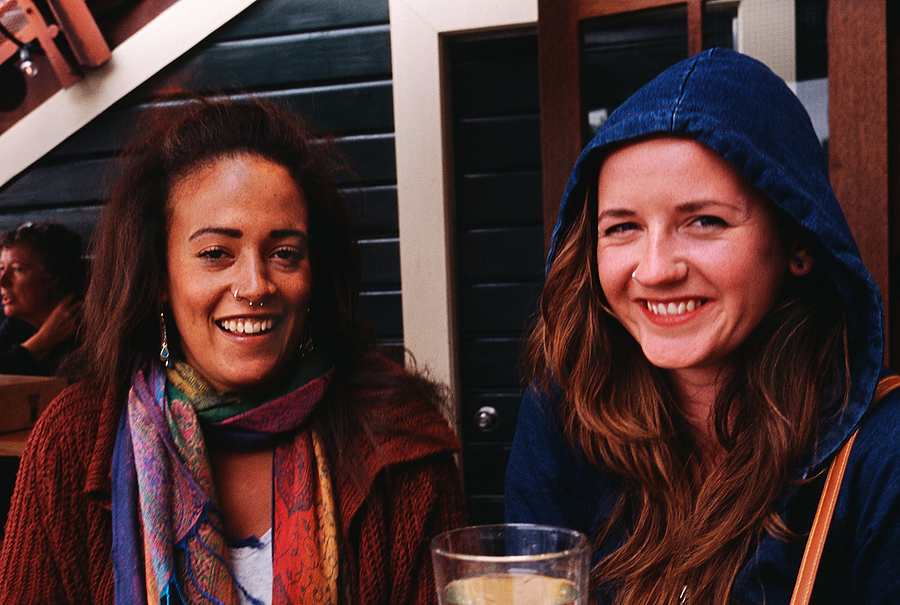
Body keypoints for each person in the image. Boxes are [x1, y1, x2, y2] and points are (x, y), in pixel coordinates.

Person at [0, 97, 466, 604]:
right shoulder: (72, 442)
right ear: (159, 276)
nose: (255, 284)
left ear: (313, 276)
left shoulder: (398, 441)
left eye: (284, 253)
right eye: (216, 253)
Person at [505, 48, 900, 604]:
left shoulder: (883, 453)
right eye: (622, 227)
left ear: (799, 242)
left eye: (704, 221)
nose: (655, 270)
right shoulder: (565, 412)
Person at [0, 220, 84, 376]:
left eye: (18, 269)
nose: (2, 281)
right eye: (2, 268)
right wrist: (43, 340)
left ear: (53, 277)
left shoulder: (83, 333)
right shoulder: (19, 324)